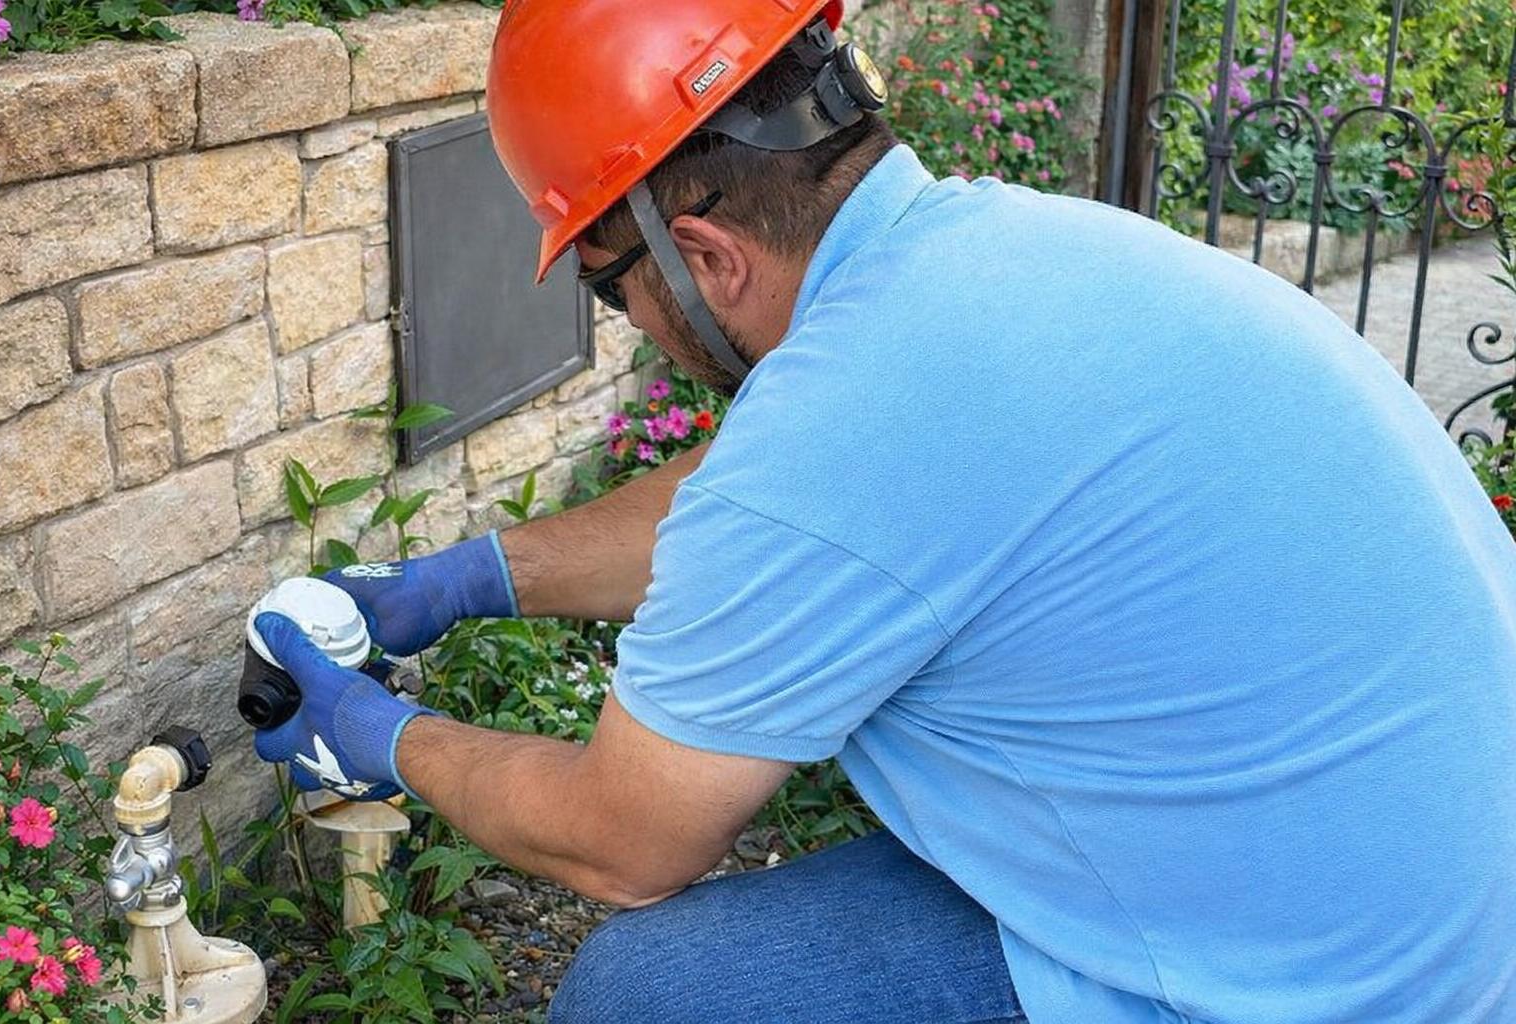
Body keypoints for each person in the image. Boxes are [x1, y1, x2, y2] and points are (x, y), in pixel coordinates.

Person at [243, 0, 1516, 1021]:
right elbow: (777, 506)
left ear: (706, 256)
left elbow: (620, 841)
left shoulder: (851, 414)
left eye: (610, 288)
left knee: (656, 995)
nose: (625, 322)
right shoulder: (997, 258)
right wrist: (467, 577)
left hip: (1319, 988)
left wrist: (379, 735)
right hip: (1418, 915)